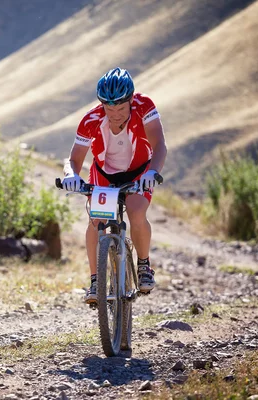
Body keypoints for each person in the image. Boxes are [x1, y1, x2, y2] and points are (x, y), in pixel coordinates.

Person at [62, 67, 167, 304]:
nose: (115, 114)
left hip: (140, 171)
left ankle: (143, 266)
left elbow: (159, 144)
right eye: (109, 108)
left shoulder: (145, 107)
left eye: (120, 107)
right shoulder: (91, 119)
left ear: (131, 100)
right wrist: (71, 175)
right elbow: (74, 159)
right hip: (105, 174)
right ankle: (96, 282)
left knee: (136, 211)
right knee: (96, 221)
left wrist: (152, 172)